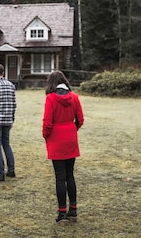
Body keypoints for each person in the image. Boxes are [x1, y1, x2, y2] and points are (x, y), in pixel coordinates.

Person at [42, 70, 84, 223]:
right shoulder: (74, 97)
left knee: (60, 178)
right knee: (70, 175)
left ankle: (62, 214)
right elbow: (80, 119)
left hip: (56, 138)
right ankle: (73, 210)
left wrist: (46, 135)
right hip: (70, 138)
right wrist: (72, 130)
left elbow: (47, 122)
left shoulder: (51, 99)